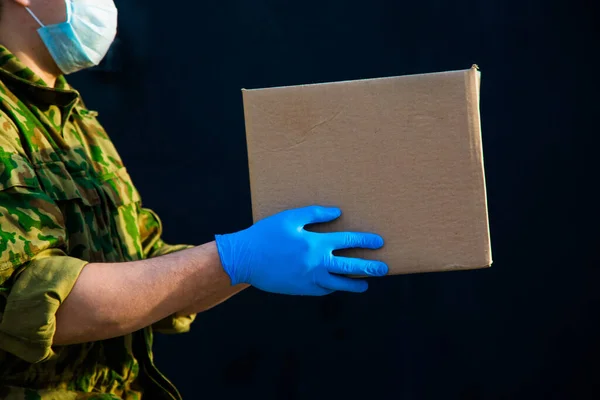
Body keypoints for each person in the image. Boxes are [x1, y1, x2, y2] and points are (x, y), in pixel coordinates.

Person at [0, 0, 388, 398]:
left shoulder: (70, 117)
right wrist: (234, 258)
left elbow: (141, 265)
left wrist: (253, 260)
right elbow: (39, 308)